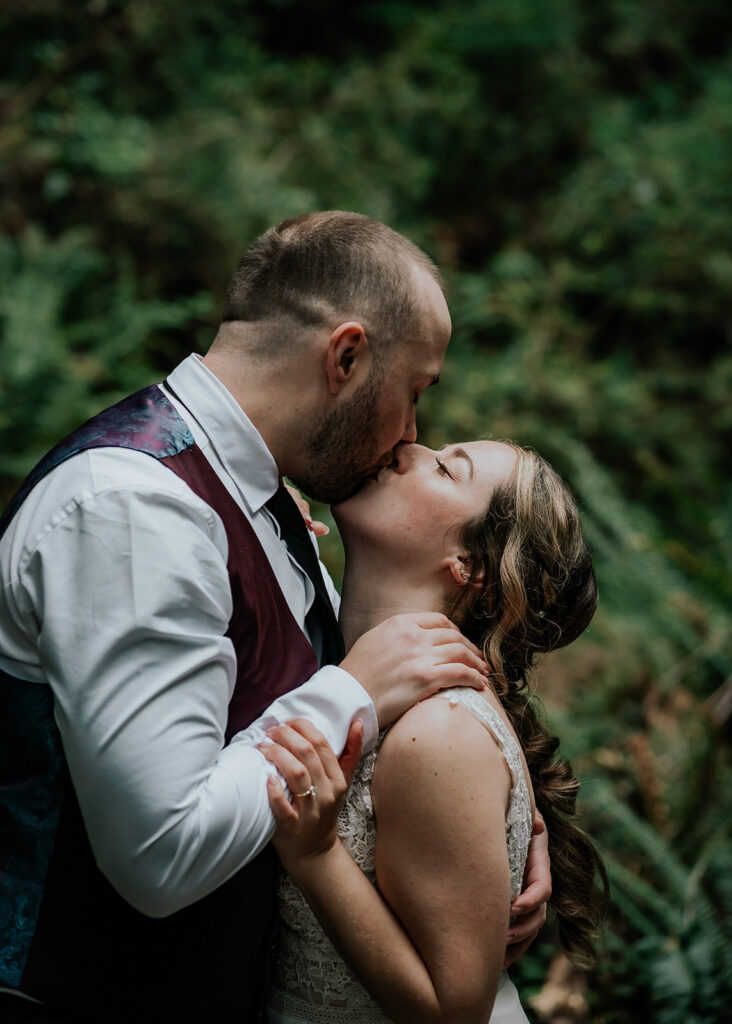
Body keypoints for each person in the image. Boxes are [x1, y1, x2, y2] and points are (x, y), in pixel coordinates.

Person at [0, 213, 549, 1022]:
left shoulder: (260, 497)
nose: (411, 433)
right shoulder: (134, 512)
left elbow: (374, 679)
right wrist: (350, 692)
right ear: (348, 356)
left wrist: (497, 828)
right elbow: (162, 855)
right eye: (415, 391)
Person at [262, 439, 609, 1023]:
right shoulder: (341, 643)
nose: (406, 447)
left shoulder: (438, 731)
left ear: (467, 567)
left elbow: (456, 1013)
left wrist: (317, 855)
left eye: (447, 467)